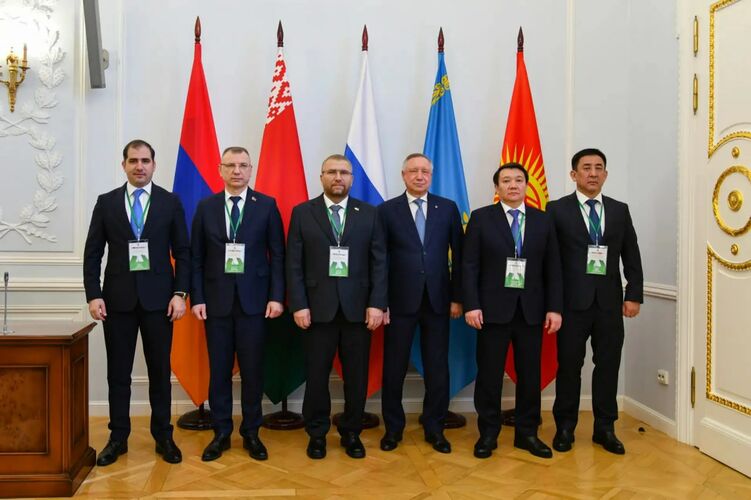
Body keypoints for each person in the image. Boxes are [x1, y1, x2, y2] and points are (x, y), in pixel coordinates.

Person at [83, 139, 189, 466]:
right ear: (124, 165)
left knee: (159, 372)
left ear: (154, 165)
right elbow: (92, 253)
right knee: (118, 374)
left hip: (160, 302)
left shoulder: (170, 202)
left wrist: (180, 294)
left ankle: (163, 436)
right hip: (117, 302)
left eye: (145, 161)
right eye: (133, 161)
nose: (139, 166)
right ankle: (118, 438)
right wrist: (94, 294)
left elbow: (183, 252)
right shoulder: (106, 203)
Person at [286, 154, 387, 460]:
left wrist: (377, 304)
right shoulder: (303, 212)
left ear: (352, 178)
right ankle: (317, 434)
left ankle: (351, 432)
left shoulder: (369, 213)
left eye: (344, 172)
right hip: (317, 311)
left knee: (356, 377)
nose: (338, 177)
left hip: (359, 311)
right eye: (331, 172)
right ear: (322, 177)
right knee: (317, 376)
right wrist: (299, 304)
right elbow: (294, 264)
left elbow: (379, 263)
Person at [190, 146, 285, 462]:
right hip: (215, 304)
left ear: (250, 169)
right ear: (220, 169)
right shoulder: (206, 207)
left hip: (255, 304)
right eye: (230, 165)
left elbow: (278, 255)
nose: (237, 171)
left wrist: (276, 296)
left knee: (253, 372)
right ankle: (220, 433)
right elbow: (196, 257)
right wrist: (197, 298)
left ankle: (251, 433)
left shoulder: (266, 206)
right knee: (219, 372)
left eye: (243, 165)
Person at [463, 162, 563, 459]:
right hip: (491, 311)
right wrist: (471, 304)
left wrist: (554, 308)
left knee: (530, 375)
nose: (513, 185)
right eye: (506, 180)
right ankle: (488, 434)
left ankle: (527, 433)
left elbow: (553, 268)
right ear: (497, 187)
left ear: (527, 185)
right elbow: (469, 265)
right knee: (489, 375)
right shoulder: (481, 218)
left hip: (531, 311)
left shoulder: (543, 220)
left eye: (519, 180)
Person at [549, 148, 643, 455]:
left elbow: (631, 255)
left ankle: (605, 428)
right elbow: (549, 261)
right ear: (574, 174)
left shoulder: (619, 210)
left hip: (609, 304)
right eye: (586, 167)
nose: (593, 173)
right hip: (570, 305)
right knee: (569, 367)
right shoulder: (556, 210)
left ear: (605, 174)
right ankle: (565, 427)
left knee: (608, 366)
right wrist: (552, 304)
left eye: (598, 167)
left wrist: (633, 295)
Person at [378, 153, 463, 453]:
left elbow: (460, 255)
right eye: (413, 171)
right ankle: (393, 429)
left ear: (431, 175)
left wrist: (457, 297)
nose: (419, 176)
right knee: (394, 368)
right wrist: (381, 301)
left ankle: (435, 427)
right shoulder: (387, 210)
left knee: (437, 367)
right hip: (398, 302)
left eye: (425, 171)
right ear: (403, 175)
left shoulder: (447, 208)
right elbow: (379, 259)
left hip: (438, 301)